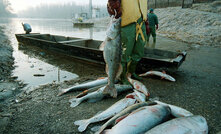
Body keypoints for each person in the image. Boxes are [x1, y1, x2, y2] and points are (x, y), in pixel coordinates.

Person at [107, 0, 147, 84]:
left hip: (141, 23)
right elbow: (111, 6)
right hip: (126, 24)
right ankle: (122, 76)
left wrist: (146, 22)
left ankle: (131, 72)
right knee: (125, 53)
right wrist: (112, 5)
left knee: (139, 51)